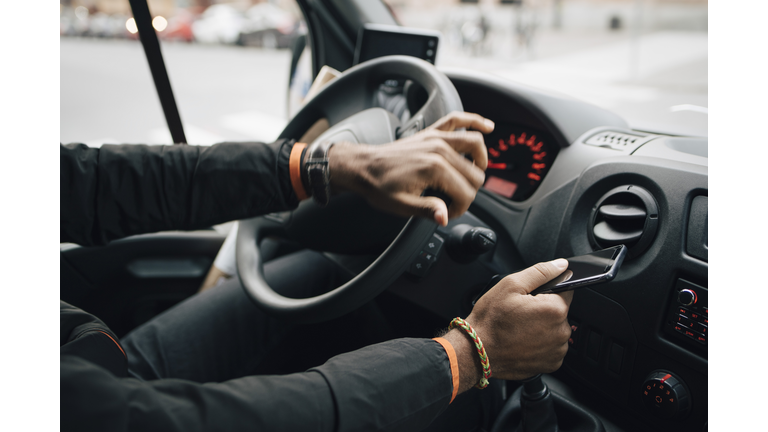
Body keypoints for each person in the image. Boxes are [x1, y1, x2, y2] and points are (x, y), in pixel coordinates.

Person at [60, 112, 573, 432]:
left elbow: (91, 183)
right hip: (103, 404)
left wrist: (330, 166)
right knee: (467, 410)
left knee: (313, 272)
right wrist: (472, 354)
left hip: (90, 360)